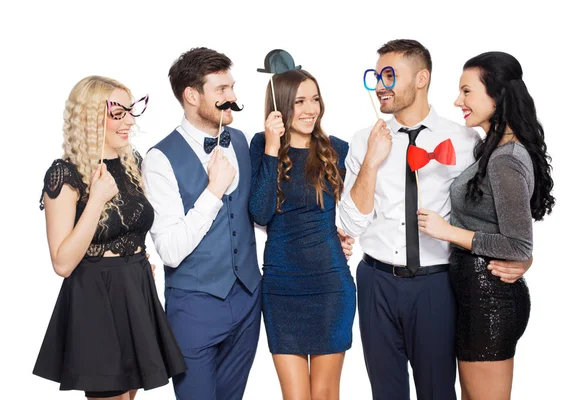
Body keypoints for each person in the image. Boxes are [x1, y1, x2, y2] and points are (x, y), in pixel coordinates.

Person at [338, 39, 533, 400]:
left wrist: (521, 254)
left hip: (437, 284)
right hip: (375, 281)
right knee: (385, 392)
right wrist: (372, 161)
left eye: (390, 75)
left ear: (422, 78)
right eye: (377, 76)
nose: (381, 85)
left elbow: (497, 208)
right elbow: (350, 224)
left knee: (438, 390)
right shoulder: (364, 139)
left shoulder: (467, 139)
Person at [33, 75, 186, 400]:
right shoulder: (66, 174)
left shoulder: (133, 164)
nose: (130, 120)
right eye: (118, 114)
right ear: (89, 118)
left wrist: (137, 255)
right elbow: (62, 262)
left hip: (136, 288)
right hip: (95, 297)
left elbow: (131, 225)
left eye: (130, 111)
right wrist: (97, 200)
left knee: (129, 395)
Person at [417, 51, 554, 400]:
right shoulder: (490, 150)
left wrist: (447, 232)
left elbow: (518, 245)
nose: (457, 100)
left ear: (497, 94)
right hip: (477, 296)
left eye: (466, 91)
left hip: (489, 301)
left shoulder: (506, 158)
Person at [141, 47, 262, 400]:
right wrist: (213, 190)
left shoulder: (239, 140)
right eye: (221, 90)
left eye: (232, 87)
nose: (233, 97)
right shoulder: (159, 159)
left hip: (248, 301)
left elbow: (251, 214)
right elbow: (170, 251)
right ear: (191, 95)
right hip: (194, 308)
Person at [249, 68, 356, 400]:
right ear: (280, 106)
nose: (311, 109)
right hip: (282, 288)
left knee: (325, 395)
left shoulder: (337, 149)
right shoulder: (260, 145)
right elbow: (260, 212)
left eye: (315, 99)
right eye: (300, 101)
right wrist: (270, 146)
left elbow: (359, 209)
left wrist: (346, 233)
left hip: (329, 285)